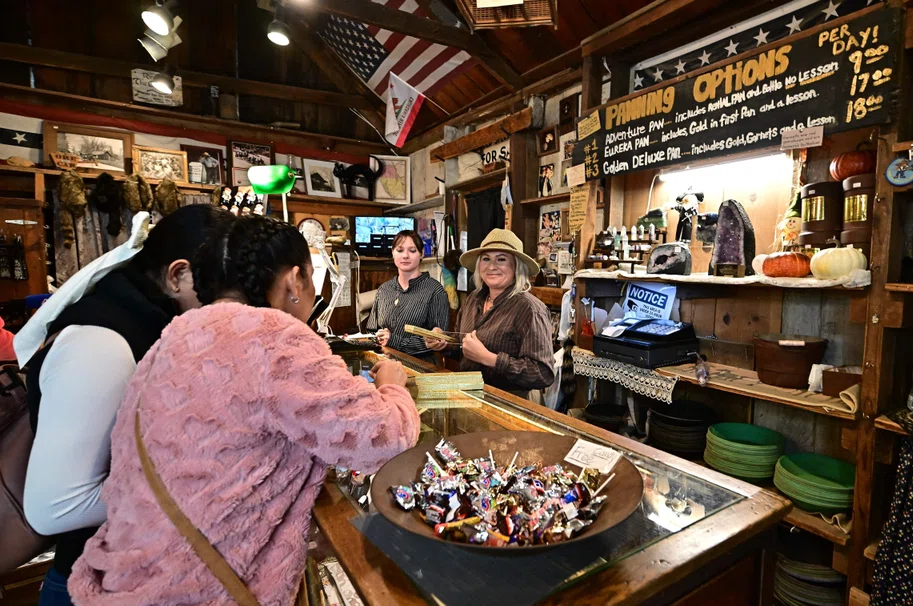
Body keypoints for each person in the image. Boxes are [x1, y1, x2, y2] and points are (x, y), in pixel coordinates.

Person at [68, 215, 419, 606]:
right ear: (295, 279)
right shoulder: (277, 337)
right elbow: (384, 438)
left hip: (130, 575)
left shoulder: (172, 336)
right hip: (204, 588)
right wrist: (391, 385)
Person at [21, 205, 235, 606]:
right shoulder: (101, 342)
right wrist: (210, 482)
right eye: (228, 294)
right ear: (178, 275)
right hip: (93, 586)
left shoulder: (149, 322)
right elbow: (56, 507)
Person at [425, 228, 554, 396]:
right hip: (469, 397)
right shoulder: (473, 299)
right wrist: (443, 341)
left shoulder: (530, 309)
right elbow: (460, 343)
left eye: (501, 259)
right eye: (486, 259)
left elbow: (543, 374)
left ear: (517, 267)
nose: (492, 266)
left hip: (508, 405)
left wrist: (490, 359)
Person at [367, 230, 449, 357]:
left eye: (412, 250)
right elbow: (371, 332)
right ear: (392, 253)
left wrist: (393, 340)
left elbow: (437, 341)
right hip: (384, 365)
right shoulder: (384, 290)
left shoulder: (435, 290)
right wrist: (378, 338)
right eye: (400, 250)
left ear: (421, 254)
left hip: (419, 367)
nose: (405, 256)